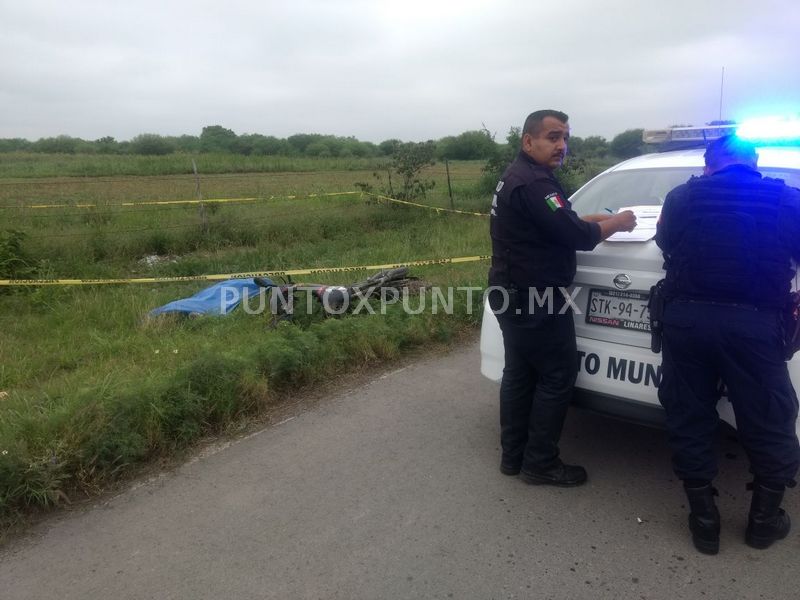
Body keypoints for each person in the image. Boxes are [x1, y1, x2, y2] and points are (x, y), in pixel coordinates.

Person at [655, 134, 800, 554]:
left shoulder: (682, 196)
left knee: (688, 415)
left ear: (707, 164)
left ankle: (704, 523)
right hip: (754, 326)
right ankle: (763, 522)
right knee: (770, 418)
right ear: (753, 162)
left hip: (687, 322)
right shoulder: (787, 199)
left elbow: (666, 244)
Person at [488, 110, 637, 487]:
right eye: (553, 137)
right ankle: (540, 463)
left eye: (565, 137)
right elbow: (578, 236)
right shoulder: (537, 183)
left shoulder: (516, 177)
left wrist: (591, 219)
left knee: (519, 373)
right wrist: (616, 223)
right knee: (556, 376)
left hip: (510, 292)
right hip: (538, 298)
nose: (561, 145)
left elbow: (559, 220)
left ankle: (514, 456)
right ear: (528, 141)